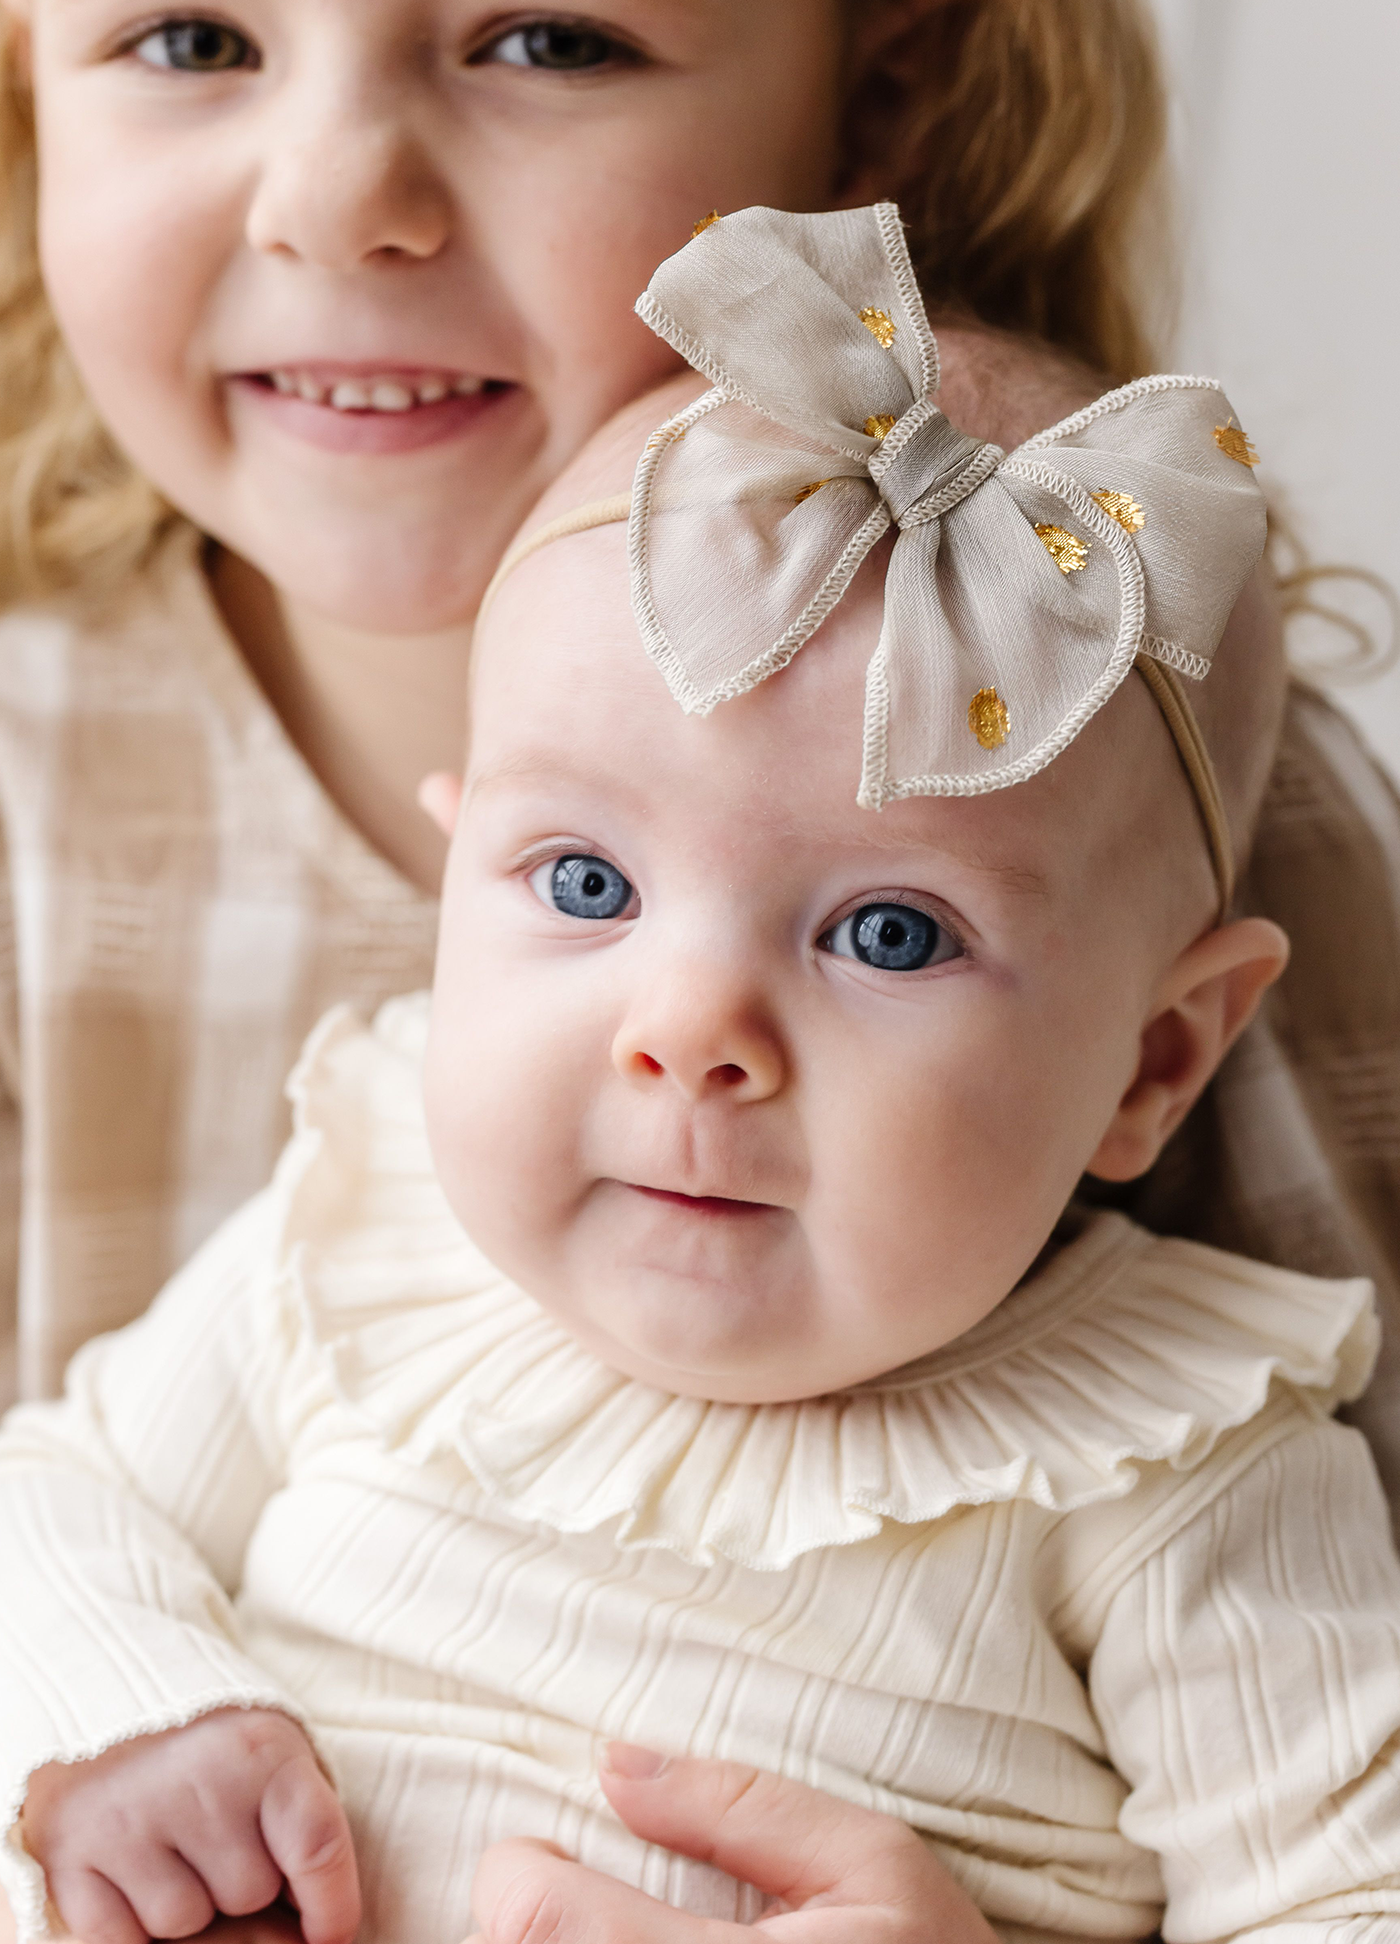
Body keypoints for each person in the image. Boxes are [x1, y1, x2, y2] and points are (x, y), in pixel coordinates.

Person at [4, 208, 1399, 1944]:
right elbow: (53, 1496)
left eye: (889, 935)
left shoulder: (1180, 1469)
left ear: (1159, 1058)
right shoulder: (355, 1242)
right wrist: (130, 1721)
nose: (692, 1028)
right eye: (585, 887)